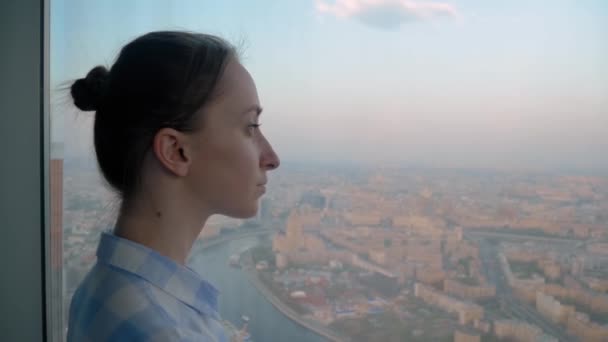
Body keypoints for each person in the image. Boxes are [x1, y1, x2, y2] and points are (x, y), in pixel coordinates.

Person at [67, 31, 280, 342]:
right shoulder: (164, 331)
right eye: (251, 126)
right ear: (176, 151)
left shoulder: (103, 289)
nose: (272, 158)